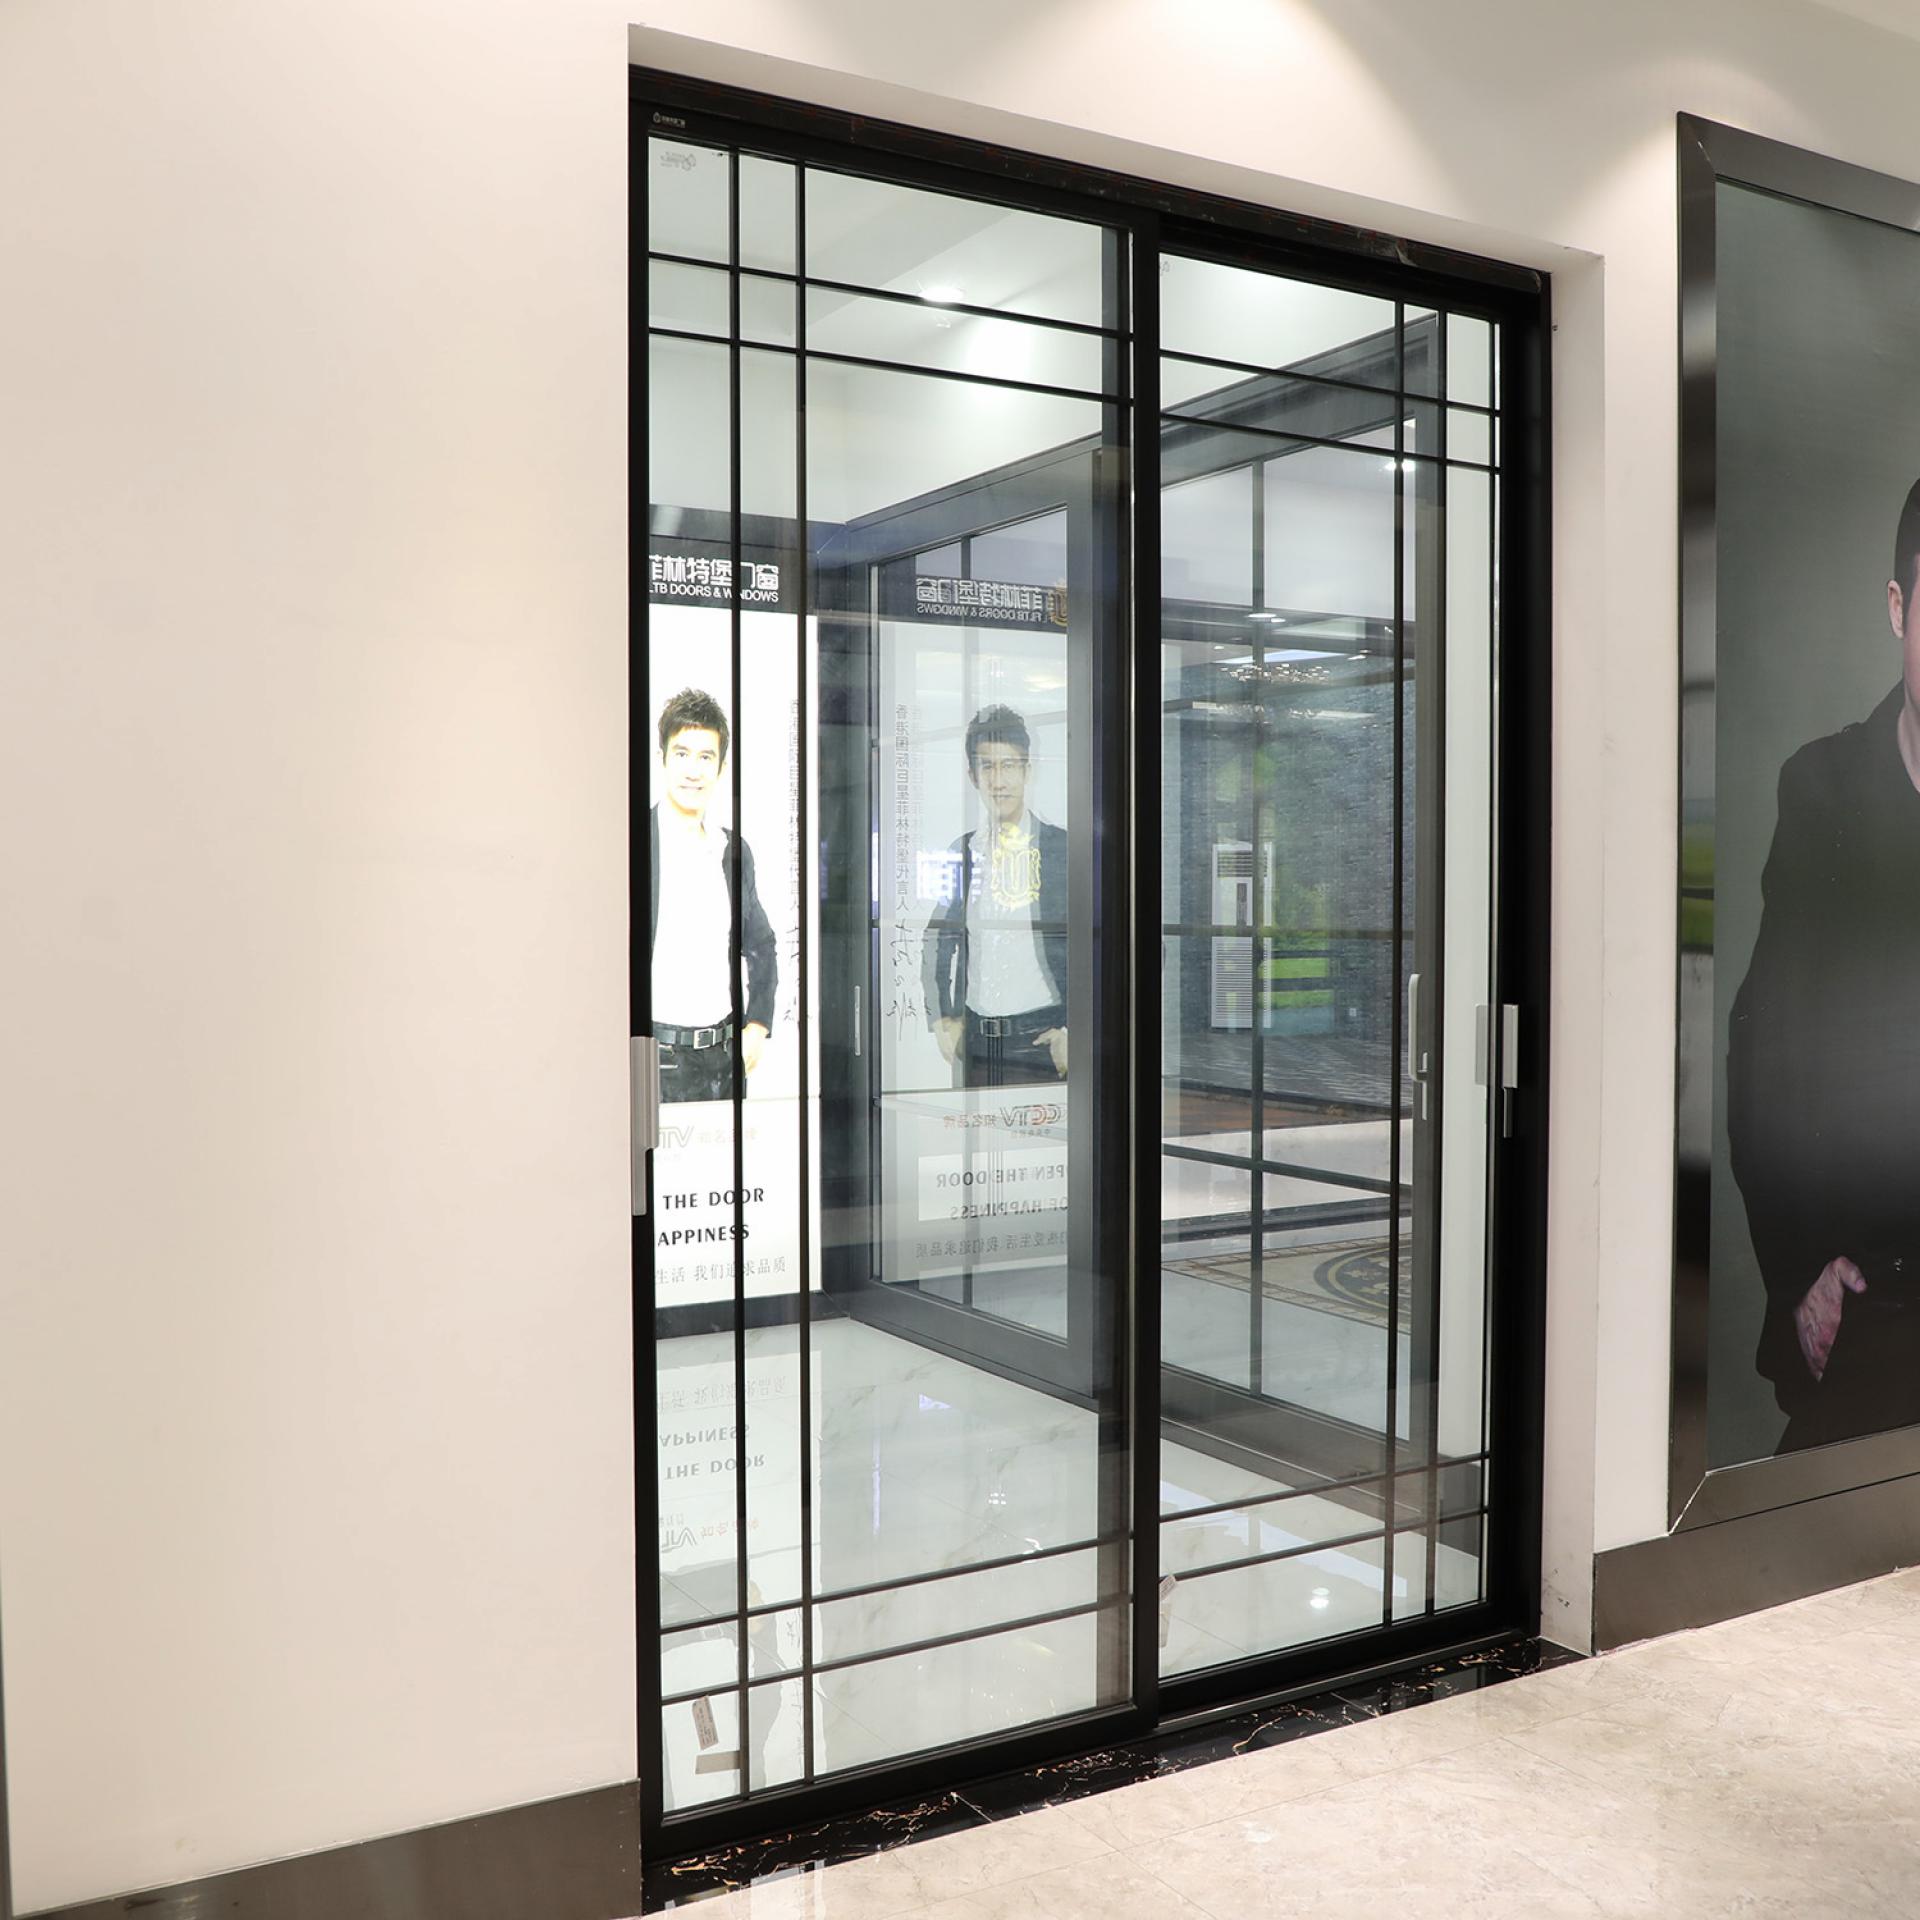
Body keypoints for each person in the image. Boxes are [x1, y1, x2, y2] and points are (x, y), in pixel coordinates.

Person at [1728, 477, 1920, 1452]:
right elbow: (1763, 1060)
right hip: (1868, 1299)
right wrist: (1801, 1269)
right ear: (1898, 608)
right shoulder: (1824, 791)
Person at [921, 703, 1069, 1088]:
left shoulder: (1063, 851)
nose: (998, 780)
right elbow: (937, 937)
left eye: (1009, 765)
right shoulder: (964, 851)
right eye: (987, 766)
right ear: (973, 775)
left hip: (1045, 1041)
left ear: (1028, 771)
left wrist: (1078, 1030)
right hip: (976, 1043)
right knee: (974, 1127)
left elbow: (1108, 947)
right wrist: (942, 1018)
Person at [649, 687, 777, 1103]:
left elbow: (761, 943)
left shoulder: (732, 850)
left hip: (722, 1059)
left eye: (706, 757)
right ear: (662, 759)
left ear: (721, 768)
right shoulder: (634, 844)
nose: (693, 770)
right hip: (656, 1058)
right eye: (682, 753)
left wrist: (757, 1025)